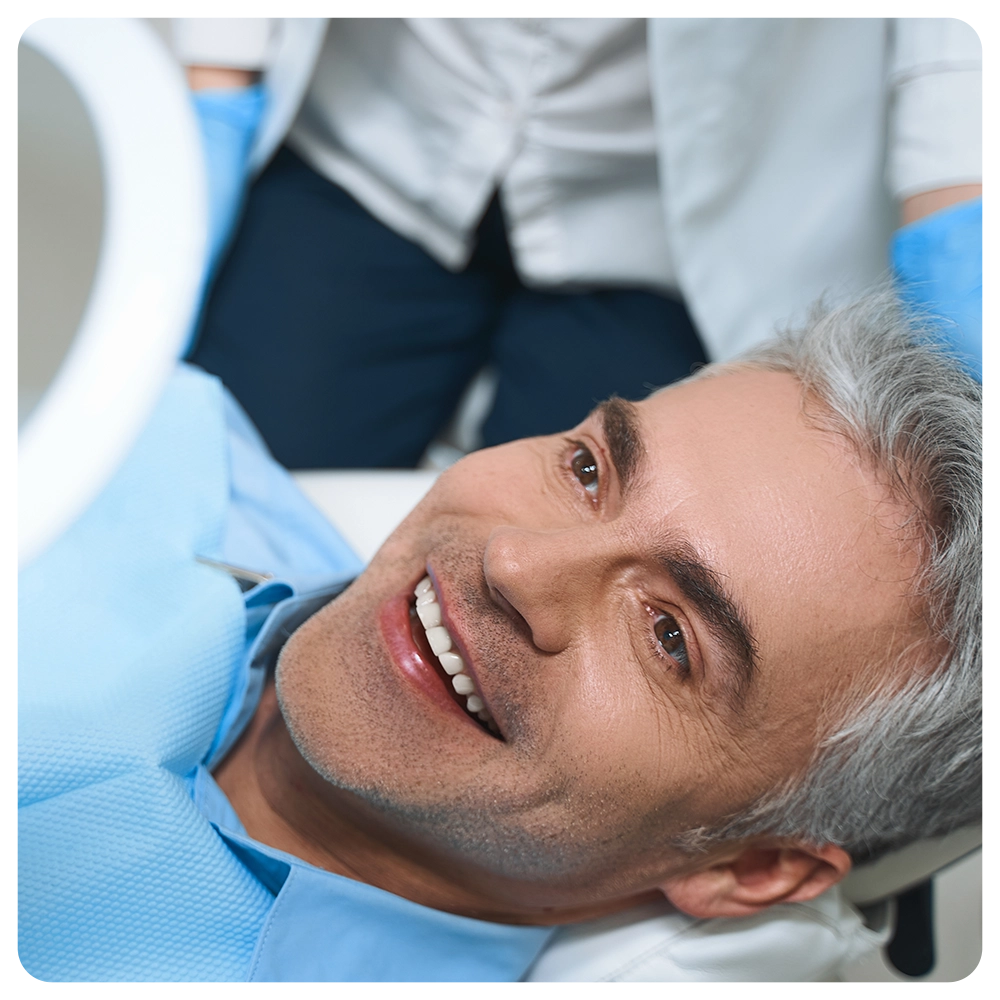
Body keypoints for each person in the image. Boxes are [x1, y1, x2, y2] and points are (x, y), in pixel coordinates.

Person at [17, 291, 983, 983]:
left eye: (670, 637)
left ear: (747, 868)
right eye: (590, 471)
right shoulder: (151, 439)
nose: (516, 562)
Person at [174, 15, 984, 469]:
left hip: (660, 221)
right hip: (378, 133)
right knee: (217, 495)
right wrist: (211, 71)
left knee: (568, 598)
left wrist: (958, 183)